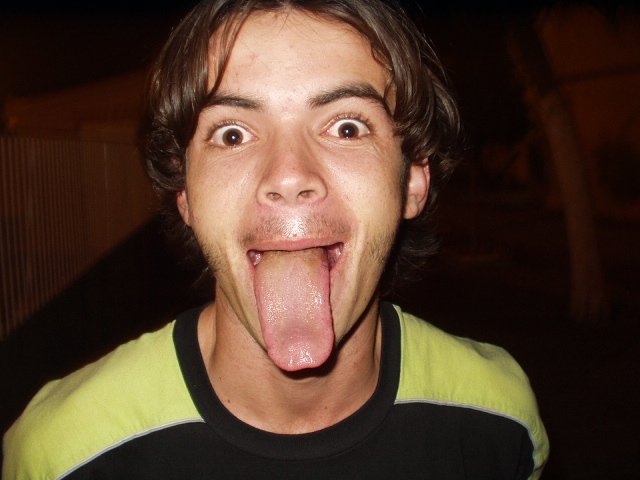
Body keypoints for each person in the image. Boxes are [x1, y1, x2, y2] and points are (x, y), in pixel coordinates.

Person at [3, 0, 549, 478]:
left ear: (412, 182)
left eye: (347, 127)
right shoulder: (66, 452)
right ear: (185, 194)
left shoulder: (499, 422)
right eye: (232, 134)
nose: (288, 176)